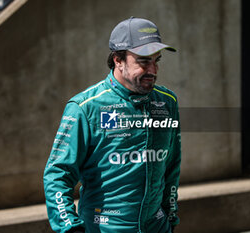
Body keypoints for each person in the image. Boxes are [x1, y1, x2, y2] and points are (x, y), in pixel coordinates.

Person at [44, 17, 181, 233]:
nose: (153, 69)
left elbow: (171, 166)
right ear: (118, 60)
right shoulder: (85, 107)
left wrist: (171, 218)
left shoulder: (167, 102)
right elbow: (58, 174)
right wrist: (69, 227)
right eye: (144, 61)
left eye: (157, 60)